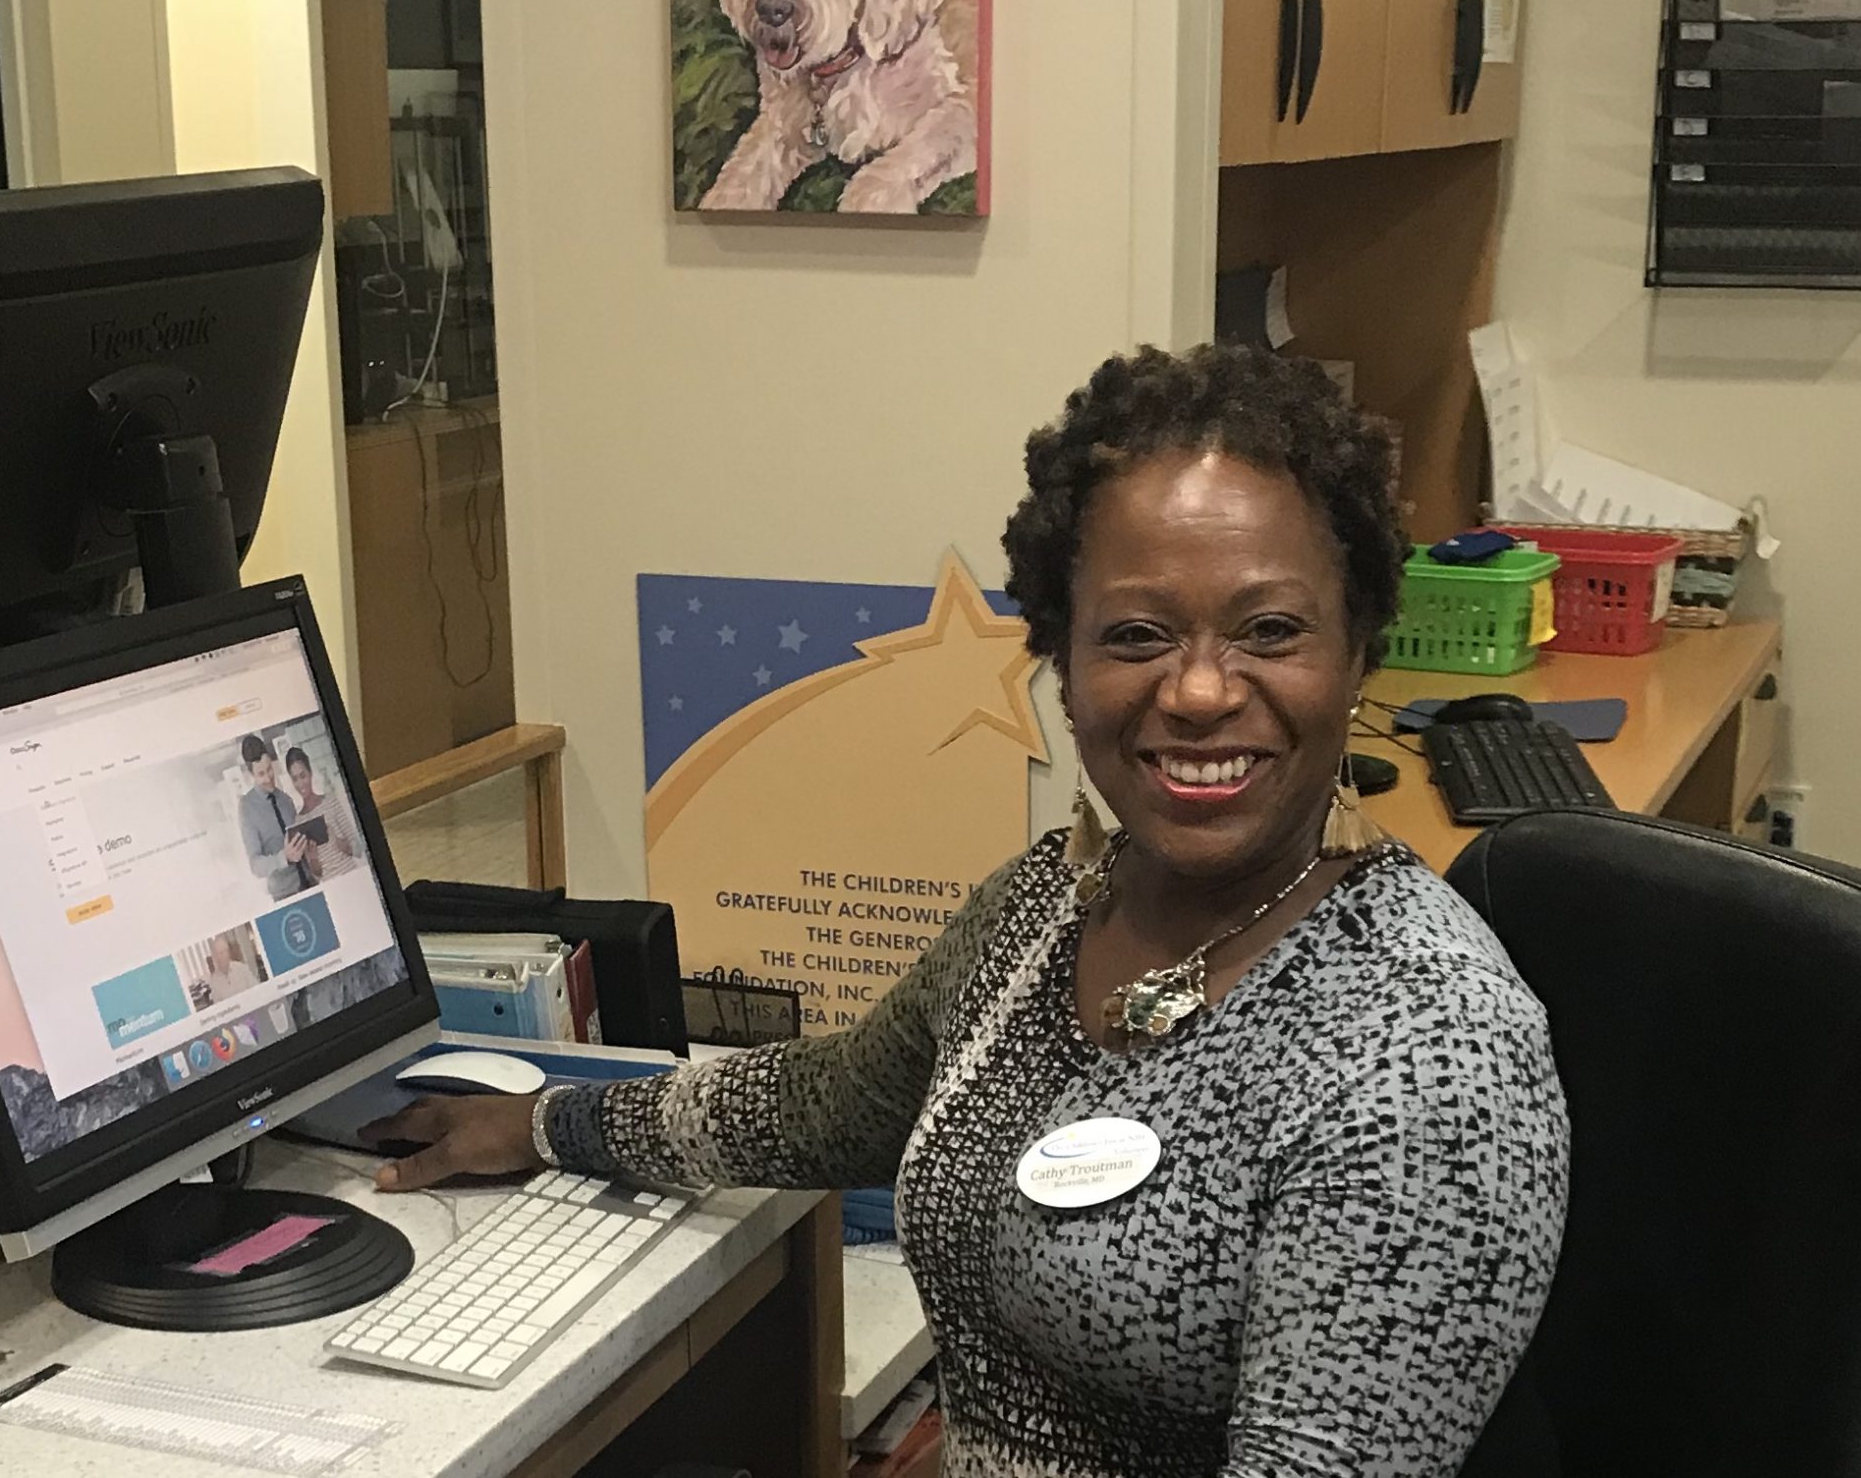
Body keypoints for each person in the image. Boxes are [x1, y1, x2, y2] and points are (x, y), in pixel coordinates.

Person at [364, 344, 1568, 1476]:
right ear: (1064, 657)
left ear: (1360, 647)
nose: (1199, 690)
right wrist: (547, 1127)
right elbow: (828, 1104)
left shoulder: (1426, 1057)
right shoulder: (1050, 901)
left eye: (1269, 629)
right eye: (1136, 634)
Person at [235, 733, 312, 899]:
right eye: (261, 774)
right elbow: (255, 865)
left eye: (269, 769)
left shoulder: (285, 799)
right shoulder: (246, 808)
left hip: (310, 882)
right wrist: (283, 857)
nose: (268, 777)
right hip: (285, 894)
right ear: (251, 776)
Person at [283, 745, 361, 880]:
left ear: (310, 773)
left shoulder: (331, 801)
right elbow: (317, 874)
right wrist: (313, 859)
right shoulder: (299, 821)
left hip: (351, 874)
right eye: (295, 778)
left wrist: (342, 845)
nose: (300, 783)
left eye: (303, 776)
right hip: (330, 884)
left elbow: (359, 849)